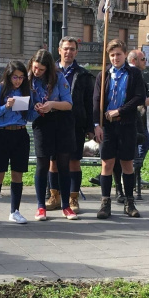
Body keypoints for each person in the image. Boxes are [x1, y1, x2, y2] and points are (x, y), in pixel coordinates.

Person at [92, 39, 145, 219]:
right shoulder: (103, 75)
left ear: (124, 54)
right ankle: (105, 202)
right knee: (107, 164)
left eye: (119, 54)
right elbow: (96, 101)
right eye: (112, 55)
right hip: (107, 126)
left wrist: (120, 111)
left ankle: (129, 202)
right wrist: (96, 125)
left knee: (127, 164)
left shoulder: (134, 74)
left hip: (127, 124)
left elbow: (139, 97)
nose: (115, 58)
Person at [0, 61, 35, 225]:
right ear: (8, 75)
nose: (18, 80)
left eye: (21, 77)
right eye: (15, 77)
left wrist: (39, 111)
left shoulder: (26, 91)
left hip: (20, 134)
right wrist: (6, 106)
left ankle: (15, 211)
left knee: (17, 174)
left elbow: (29, 116)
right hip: (2, 135)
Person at [48, 37, 95, 213]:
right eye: (66, 49)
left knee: (73, 162)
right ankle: (55, 196)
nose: (69, 52)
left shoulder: (83, 74)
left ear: (76, 52)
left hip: (75, 125)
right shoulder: (49, 71)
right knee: (53, 162)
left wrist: (90, 127)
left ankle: (73, 198)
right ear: (59, 50)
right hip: (53, 124)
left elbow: (89, 103)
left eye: (72, 49)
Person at [29, 49, 77, 221]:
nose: (37, 72)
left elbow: (68, 104)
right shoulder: (28, 79)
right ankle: (41, 206)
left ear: (48, 68)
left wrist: (51, 104)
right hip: (41, 122)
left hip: (62, 121)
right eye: (35, 68)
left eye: (41, 70)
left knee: (63, 164)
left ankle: (66, 206)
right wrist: (35, 108)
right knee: (42, 163)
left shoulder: (59, 78)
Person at [126, 49, 149, 201]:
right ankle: (133, 173)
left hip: (140, 119)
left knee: (143, 145)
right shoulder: (130, 74)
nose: (146, 62)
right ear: (134, 60)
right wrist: (144, 101)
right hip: (135, 120)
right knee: (143, 145)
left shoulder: (136, 75)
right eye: (143, 59)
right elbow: (129, 98)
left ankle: (135, 174)